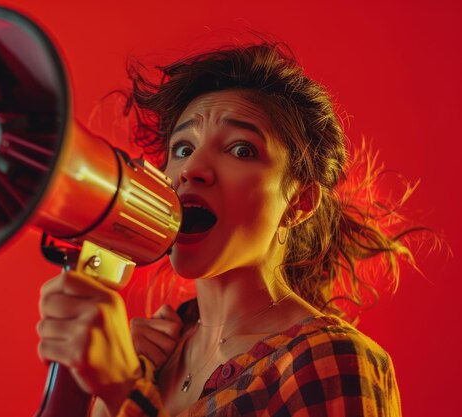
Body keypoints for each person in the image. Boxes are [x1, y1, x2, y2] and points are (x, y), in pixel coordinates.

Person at [36, 39, 417, 416]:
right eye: (183, 149)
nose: (191, 170)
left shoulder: (326, 361)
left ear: (299, 203)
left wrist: (124, 390)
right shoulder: (152, 359)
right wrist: (102, 400)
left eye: (240, 149)